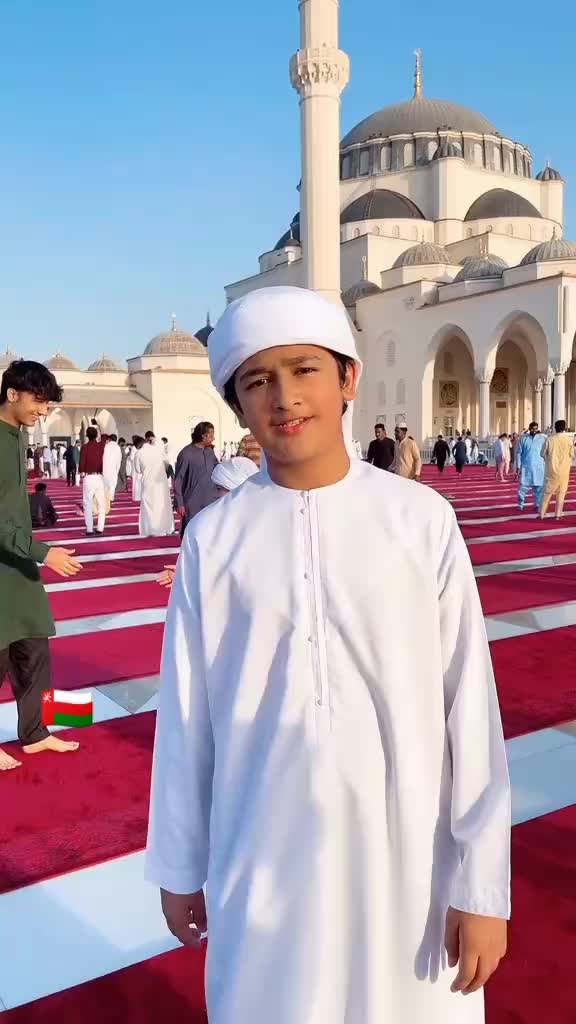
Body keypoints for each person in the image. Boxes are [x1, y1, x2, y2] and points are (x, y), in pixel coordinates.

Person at [146, 286, 510, 1024]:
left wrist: (482, 887)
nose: (284, 397)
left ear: (348, 378)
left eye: (304, 369)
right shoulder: (214, 540)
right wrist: (179, 863)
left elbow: (469, 706)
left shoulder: (420, 519)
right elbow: (187, 717)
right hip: (263, 852)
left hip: (408, 856)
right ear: (237, 405)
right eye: (257, 380)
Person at [0, 359, 82, 771]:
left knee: (34, 647)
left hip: (18, 563)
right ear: (12, 393)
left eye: (48, 404)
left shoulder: (17, 436)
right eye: (39, 401)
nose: (43, 411)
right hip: (6, 563)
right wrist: (43, 552)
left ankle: (35, 733)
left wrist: (34, 551)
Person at [157, 457, 259, 590]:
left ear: (237, 488)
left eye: (219, 488)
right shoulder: (220, 522)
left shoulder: (262, 525)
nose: (216, 494)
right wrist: (189, 575)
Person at [174, 421, 219, 535]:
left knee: (209, 531)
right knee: (191, 531)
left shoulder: (210, 451)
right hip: (192, 502)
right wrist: (179, 503)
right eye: (211, 435)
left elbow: (218, 469)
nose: (213, 438)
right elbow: (178, 479)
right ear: (203, 436)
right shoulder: (186, 453)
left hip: (211, 499)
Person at [133, 431, 174, 537]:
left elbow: (138, 470)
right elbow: (166, 464)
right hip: (161, 483)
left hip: (148, 482)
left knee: (148, 506)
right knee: (162, 504)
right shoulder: (158, 450)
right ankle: (166, 528)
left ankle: (150, 530)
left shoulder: (139, 453)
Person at [540, 419, 574, 519]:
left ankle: (542, 513)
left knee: (547, 493)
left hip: (551, 470)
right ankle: (558, 514)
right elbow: (572, 455)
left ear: (555, 428)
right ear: (564, 428)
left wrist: (548, 458)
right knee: (561, 493)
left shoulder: (550, 439)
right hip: (564, 470)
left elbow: (542, 453)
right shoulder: (569, 440)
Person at [79, 426, 106, 536]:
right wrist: (99, 428)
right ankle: (100, 528)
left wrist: (82, 472)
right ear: (96, 435)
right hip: (99, 477)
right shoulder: (101, 445)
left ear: (87, 436)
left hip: (89, 477)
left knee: (88, 503)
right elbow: (105, 436)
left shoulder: (85, 447)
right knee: (101, 504)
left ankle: (89, 529)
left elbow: (82, 462)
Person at [516, 421, 546, 511]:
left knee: (539, 488)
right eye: (532, 429)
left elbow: (545, 453)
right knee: (522, 488)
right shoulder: (523, 439)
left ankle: (537, 505)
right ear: (529, 429)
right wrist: (518, 466)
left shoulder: (542, 439)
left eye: (536, 429)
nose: (534, 430)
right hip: (526, 467)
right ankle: (520, 505)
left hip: (539, 467)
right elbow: (518, 453)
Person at [103, 433, 122, 510]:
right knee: (112, 486)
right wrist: (117, 470)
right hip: (113, 469)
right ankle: (110, 500)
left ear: (109, 439)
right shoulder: (118, 447)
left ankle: (105, 501)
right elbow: (119, 460)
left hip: (105, 469)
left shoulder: (106, 446)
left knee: (105, 486)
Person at [131, 435, 144, 501]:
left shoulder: (139, 450)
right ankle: (136, 497)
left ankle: (138, 497)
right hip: (137, 469)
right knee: (136, 484)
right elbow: (132, 458)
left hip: (139, 469)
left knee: (138, 484)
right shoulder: (135, 449)